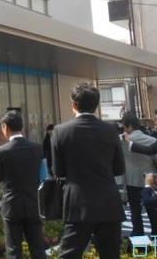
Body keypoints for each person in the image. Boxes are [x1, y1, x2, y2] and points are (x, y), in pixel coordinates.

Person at [51, 83, 125, 259]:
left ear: (74, 104)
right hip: (108, 201)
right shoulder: (110, 130)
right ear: (96, 105)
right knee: (111, 254)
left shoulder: (60, 131)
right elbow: (119, 168)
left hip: (77, 203)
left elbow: (58, 171)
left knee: (69, 254)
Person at [0, 111, 46, 259]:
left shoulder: (1, 151)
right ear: (22, 127)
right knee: (38, 248)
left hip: (11, 206)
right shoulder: (37, 148)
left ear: (5, 127)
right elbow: (44, 176)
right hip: (34, 204)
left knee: (13, 250)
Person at [120, 112, 157, 238]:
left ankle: (138, 234)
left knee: (135, 210)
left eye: (124, 126)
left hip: (131, 179)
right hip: (149, 179)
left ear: (129, 126)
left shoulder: (122, 142)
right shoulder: (152, 140)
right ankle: (156, 234)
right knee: (152, 208)